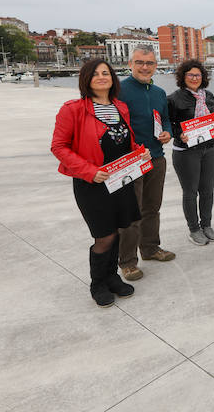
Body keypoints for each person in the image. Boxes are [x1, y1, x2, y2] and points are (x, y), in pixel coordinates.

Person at [51, 58, 149, 307]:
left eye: (106, 73)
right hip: (92, 183)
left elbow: (124, 142)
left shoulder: (120, 108)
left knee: (117, 229)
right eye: (95, 74)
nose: (102, 77)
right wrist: (89, 171)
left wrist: (140, 152)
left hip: (120, 180)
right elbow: (59, 147)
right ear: (86, 79)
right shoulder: (73, 109)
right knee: (103, 235)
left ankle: (112, 277)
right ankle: (98, 283)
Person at [116, 45, 175, 282]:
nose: (144, 67)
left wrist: (168, 133)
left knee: (152, 207)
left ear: (155, 66)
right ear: (130, 64)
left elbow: (167, 121)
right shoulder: (119, 90)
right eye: (140, 62)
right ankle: (128, 262)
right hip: (130, 161)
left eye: (149, 63)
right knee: (131, 214)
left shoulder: (159, 92)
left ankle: (150, 248)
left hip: (156, 157)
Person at [168, 59, 214, 245]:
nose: (194, 78)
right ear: (183, 77)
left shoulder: (209, 96)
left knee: (207, 190)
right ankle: (194, 229)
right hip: (186, 151)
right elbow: (169, 124)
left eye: (198, 75)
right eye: (190, 74)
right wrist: (178, 134)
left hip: (209, 148)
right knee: (190, 192)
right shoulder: (174, 98)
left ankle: (206, 224)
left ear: (203, 77)